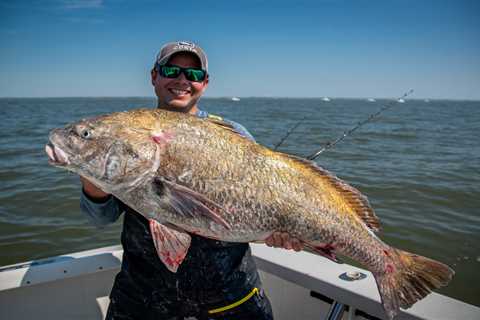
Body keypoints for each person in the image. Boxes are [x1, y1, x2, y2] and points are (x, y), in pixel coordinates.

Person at [80, 41, 302, 320]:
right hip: (143, 301)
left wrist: (277, 232)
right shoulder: (128, 132)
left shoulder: (234, 134)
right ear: (154, 76)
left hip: (229, 298)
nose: (182, 80)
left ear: (205, 83)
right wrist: (92, 180)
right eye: (171, 70)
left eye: (194, 75)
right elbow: (100, 218)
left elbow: (255, 209)